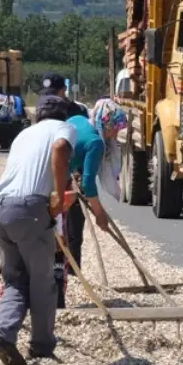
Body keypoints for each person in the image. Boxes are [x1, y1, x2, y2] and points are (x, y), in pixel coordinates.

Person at [0, 94, 76, 365]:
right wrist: (60, 197)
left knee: (14, 278)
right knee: (42, 280)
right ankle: (41, 344)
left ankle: (3, 334)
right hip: (30, 209)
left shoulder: (24, 134)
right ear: (64, 115)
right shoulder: (64, 129)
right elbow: (61, 148)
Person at [54, 97, 130, 309]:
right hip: (58, 181)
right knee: (62, 235)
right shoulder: (96, 142)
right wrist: (100, 214)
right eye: (114, 129)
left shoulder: (79, 119)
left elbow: (74, 150)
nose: (115, 135)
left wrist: (75, 172)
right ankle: (62, 287)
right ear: (105, 124)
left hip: (57, 174)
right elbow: (88, 183)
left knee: (62, 234)